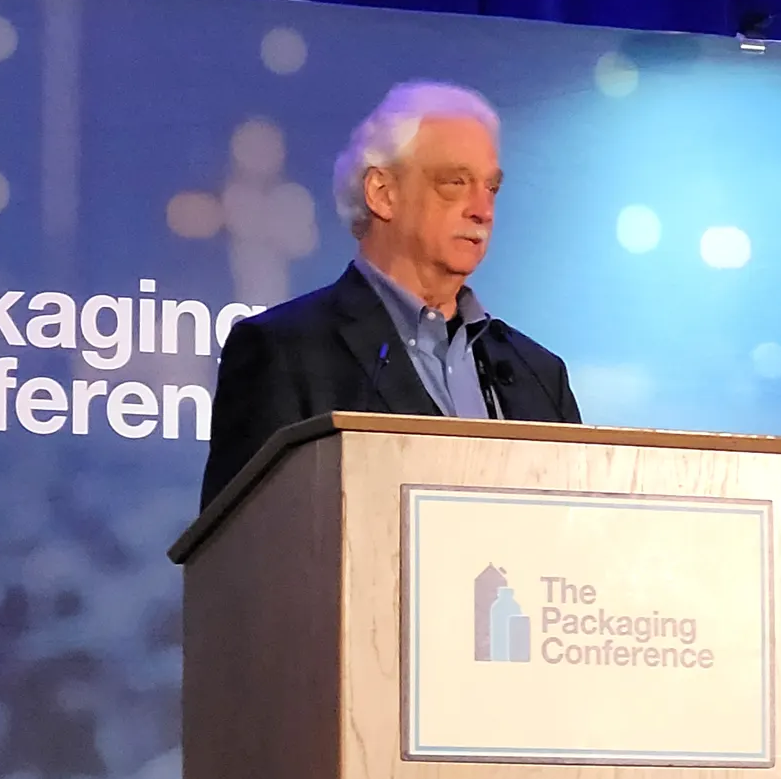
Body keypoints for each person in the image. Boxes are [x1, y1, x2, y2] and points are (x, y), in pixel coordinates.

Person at [199, 80, 583, 509]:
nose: (483, 209)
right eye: (455, 182)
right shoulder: (283, 353)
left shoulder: (539, 374)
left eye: (491, 187)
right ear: (383, 194)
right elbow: (245, 552)